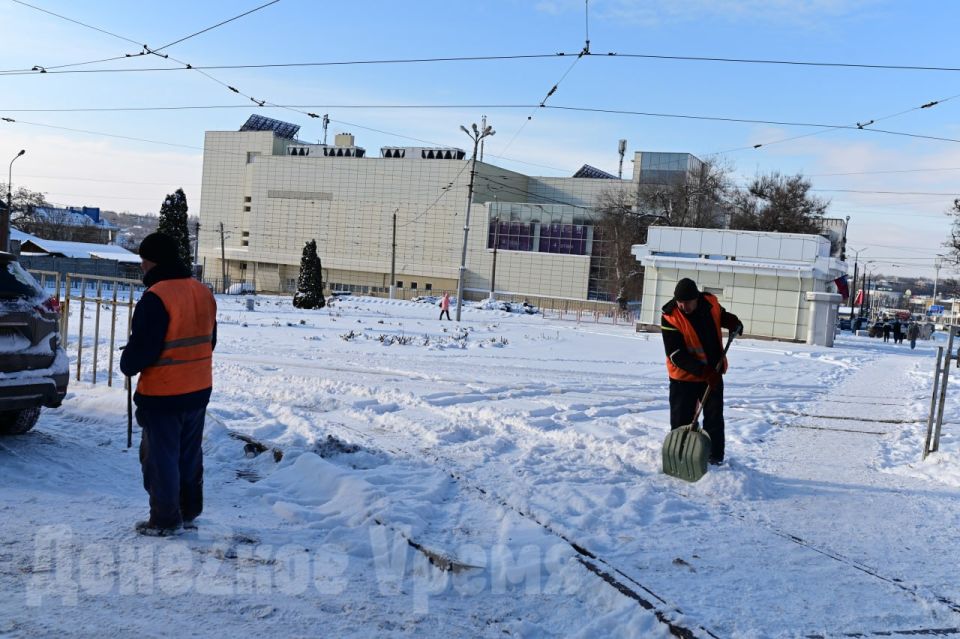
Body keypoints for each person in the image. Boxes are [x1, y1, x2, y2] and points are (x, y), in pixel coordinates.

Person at [120, 232, 217, 537]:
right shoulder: (202, 291)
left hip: (164, 393)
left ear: (155, 262)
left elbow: (144, 348)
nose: (142, 266)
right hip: (198, 389)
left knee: (161, 459)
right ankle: (188, 512)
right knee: (189, 455)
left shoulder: (156, 297)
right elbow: (210, 341)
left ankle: (164, 520)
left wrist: (127, 363)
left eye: (144, 260)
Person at [661, 278, 742, 466]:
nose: (683, 306)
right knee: (681, 421)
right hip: (684, 378)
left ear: (696, 298)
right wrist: (704, 372)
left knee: (714, 418)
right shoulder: (670, 317)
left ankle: (715, 459)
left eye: (687, 302)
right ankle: (680, 457)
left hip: (713, 372)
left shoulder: (710, 303)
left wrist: (732, 321)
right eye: (680, 302)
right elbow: (676, 355)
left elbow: (721, 315)